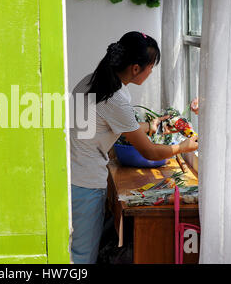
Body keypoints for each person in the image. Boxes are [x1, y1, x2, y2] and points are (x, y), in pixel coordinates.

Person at [69, 31, 199, 264]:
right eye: (151, 67)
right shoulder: (115, 97)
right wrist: (183, 147)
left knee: (74, 250)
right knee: (82, 256)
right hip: (85, 182)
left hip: (70, 174)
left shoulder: (92, 81)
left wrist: (151, 126)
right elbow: (148, 151)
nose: (151, 72)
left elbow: (108, 123)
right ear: (136, 68)